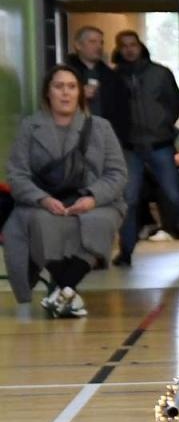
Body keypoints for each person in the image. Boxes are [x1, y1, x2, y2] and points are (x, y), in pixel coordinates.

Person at [3, 66, 127, 318]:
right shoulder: (30, 127)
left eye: (71, 87)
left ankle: (63, 292)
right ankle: (68, 293)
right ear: (47, 93)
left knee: (99, 221)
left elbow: (117, 174)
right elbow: (17, 174)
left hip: (95, 202)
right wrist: (43, 199)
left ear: (80, 92)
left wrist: (92, 198)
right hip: (45, 202)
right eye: (58, 86)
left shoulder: (100, 127)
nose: (65, 93)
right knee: (40, 222)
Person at [110, 30, 179, 265]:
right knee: (129, 199)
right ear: (118, 49)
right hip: (129, 147)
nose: (129, 49)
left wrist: (164, 122)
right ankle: (126, 252)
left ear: (140, 46)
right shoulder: (114, 77)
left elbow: (175, 102)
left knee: (175, 195)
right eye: (124, 45)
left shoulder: (160, 73)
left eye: (133, 44)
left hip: (160, 143)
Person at [64, 26, 130, 138]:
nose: (99, 46)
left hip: (106, 138)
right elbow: (51, 105)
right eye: (92, 42)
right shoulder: (64, 74)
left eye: (101, 43)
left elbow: (123, 111)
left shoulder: (112, 76)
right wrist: (78, 96)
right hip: (72, 137)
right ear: (78, 45)